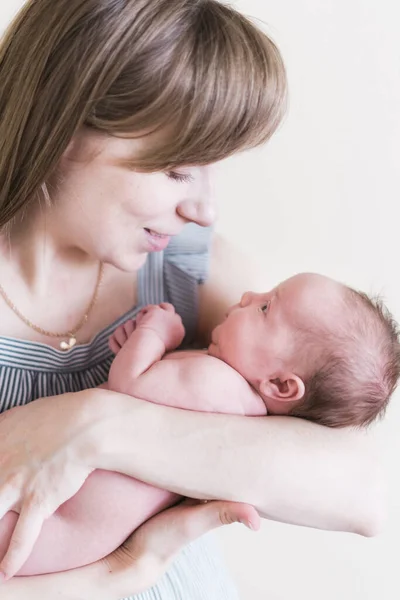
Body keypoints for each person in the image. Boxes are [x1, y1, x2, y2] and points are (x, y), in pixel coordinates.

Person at [0, 1, 385, 598]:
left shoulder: (189, 268)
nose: (205, 210)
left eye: (214, 172)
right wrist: (118, 574)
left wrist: (87, 423)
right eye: (179, 172)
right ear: (63, 127)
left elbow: (361, 492)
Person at [1, 272, 397, 577]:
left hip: (50, 521)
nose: (247, 297)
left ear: (280, 384)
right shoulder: (238, 409)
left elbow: (128, 383)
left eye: (265, 309)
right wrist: (143, 347)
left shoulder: (217, 383)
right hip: (70, 537)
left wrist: (155, 332)